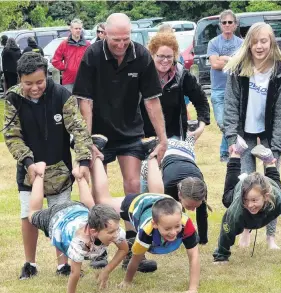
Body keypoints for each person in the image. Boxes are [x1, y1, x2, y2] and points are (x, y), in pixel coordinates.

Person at [74, 12, 167, 270]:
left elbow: (151, 100)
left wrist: (162, 138)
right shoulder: (92, 55)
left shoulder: (141, 55)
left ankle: (133, 246)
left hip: (129, 130)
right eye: (116, 39)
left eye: (126, 39)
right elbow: (85, 102)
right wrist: (87, 142)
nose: (121, 44)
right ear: (104, 33)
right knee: (99, 191)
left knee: (133, 184)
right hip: (99, 133)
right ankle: (100, 246)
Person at [3, 52, 92, 279]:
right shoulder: (12, 98)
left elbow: (79, 130)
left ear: (48, 75)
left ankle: (63, 264)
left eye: (39, 82)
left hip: (60, 168)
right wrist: (29, 162)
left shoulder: (62, 94)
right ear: (19, 79)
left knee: (61, 216)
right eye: (28, 83)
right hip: (29, 170)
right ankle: (29, 263)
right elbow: (12, 136)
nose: (34, 88)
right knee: (28, 216)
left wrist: (83, 161)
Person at [223, 22, 281, 249]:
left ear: (271, 43)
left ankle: (270, 236)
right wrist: (232, 138)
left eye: (264, 41)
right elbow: (231, 105)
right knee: (244, 185)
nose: (259, 46)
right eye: (255, 41)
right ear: (248, 43)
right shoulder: (238, 69)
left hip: (268, 137)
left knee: (271, 186)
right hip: (244, 135)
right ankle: (244, 230)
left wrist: (277, 147)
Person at [90, 155, 200, 293]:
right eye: (167, 228)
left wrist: (193, 289)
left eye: (177, 227)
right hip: (138, 203)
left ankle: (151, 154)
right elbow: (135, 259)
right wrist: (127, 281)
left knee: (158, 194)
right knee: (103, 201)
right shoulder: (146, 231)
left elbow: (194, 255)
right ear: (155, 224)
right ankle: (99, 158)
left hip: (163, 200)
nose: (173, 232)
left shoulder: (184, 223)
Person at [28, 156, 128, 293]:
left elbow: (124, 249)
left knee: (92, 209)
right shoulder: (79, 243)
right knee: (32, 214)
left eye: (116, 230)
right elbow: (74, 274)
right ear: (93, 231)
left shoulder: (112, 228)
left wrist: (106, 271)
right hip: (57, 218)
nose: (116, 234)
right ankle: (40, 174)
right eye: (111, 232)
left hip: (78, 210)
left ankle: (79, 177)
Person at [213, 135, 281, 263]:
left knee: (277, 188)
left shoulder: (278, 199)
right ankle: (236, 153)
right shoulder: (237, 207)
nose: (250, 205)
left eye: (254, 200)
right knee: (227, 199)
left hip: (269, 187)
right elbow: (227, 229)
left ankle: (269, 161)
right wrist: (221, 256)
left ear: (266, 196)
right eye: (246, 200)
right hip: (243, 185)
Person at [140, 134, 210, 245]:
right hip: (161, 153)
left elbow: (202, 214)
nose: (192, 210)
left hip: (184, 150)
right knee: (148, 198)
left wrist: (203, 240)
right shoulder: (168, 187)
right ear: (179, 195)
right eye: (189, 206)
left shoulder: (200, 189)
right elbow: (161, 213)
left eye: (195, 206)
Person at [141, 32, 210, 140]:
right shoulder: (141, 74)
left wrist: (201, 126)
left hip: (174, 135)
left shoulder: (181, 74)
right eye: (161, 56)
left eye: (169, 56)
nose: (165, 60)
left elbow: (201, 100)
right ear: (152, 54)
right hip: (145, 136)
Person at [207, 9, 243, 163]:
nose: (227, 25)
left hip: (235, 88)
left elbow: (241, 64)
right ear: (220, 25)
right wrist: (232, 60)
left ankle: (225, 153)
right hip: (218, 88)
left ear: (235, 25)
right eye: (224, 22)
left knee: (232, 122)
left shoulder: (241, 43)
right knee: (223, 123)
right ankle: (227, 150)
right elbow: (215, 64)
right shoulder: (214, 43)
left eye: (230, 22)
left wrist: (224, 58)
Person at [52, 18, 90, 92]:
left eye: (80, 28)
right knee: (69, 102)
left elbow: (92, 60)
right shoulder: (64, 44)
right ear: (71, 29)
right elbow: (55, 60)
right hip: (68, 80)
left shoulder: (87, 45)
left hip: (84, 80)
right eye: (76, 28)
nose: (78, 30)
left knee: (83, 102)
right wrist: (65, 67)